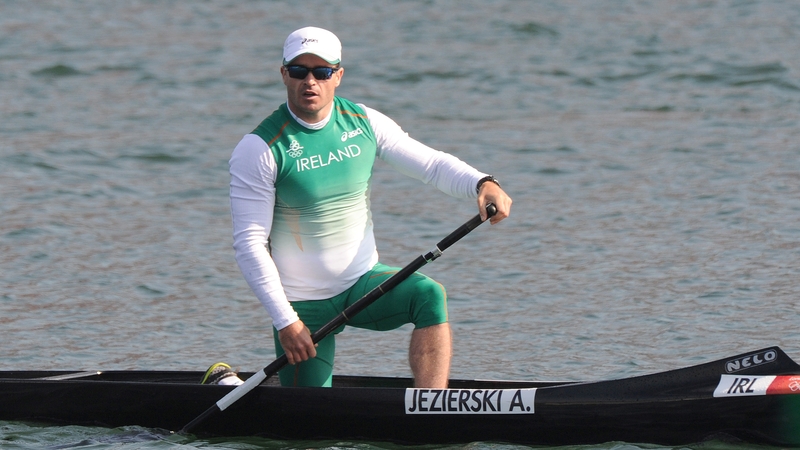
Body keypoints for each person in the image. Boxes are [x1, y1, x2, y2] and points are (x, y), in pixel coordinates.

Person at [208, 26, 512, 389]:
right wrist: (286, 321)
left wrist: (482, 182)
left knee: (429, 294)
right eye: (299, 71)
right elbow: (249, 244)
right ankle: (229, 385)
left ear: (338, 75)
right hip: (302, 306)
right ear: (283, 74)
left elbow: (431, 165)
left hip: (364, 284)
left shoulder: (364, 122)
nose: (310, 81)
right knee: (307, 429)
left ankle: (431, 405)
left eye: (321, 72)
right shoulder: (259, 148)